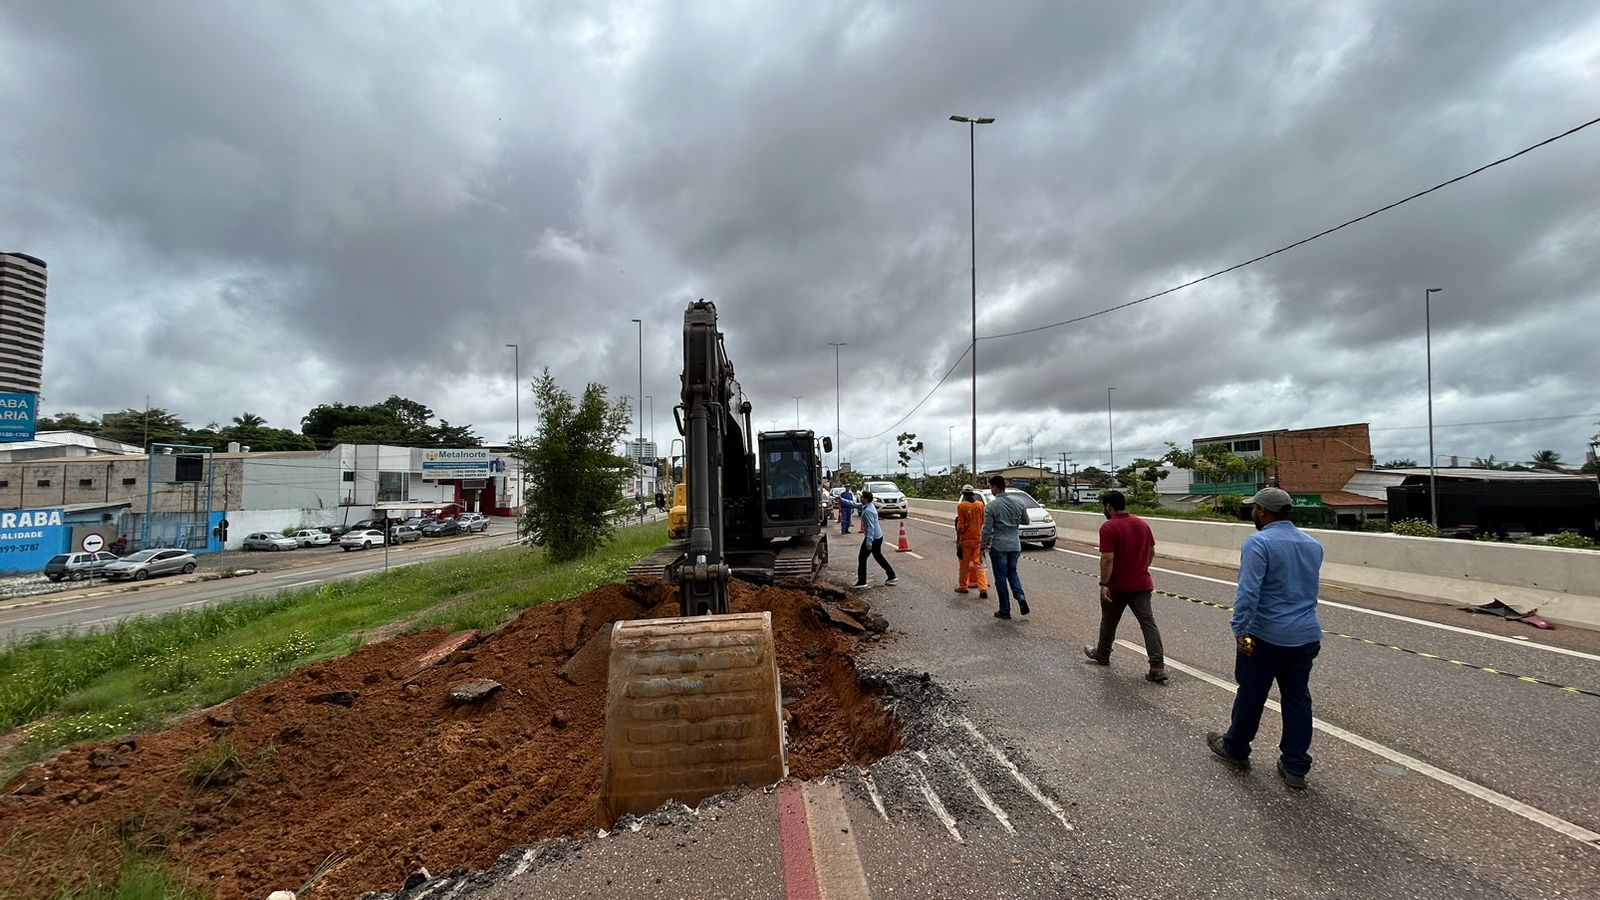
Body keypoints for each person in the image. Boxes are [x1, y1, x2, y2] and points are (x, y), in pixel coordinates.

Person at [1207, 487, 1324, 790]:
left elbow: (1248, 593)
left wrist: (1240, 630)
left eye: (1254, 509)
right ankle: (1295, 765)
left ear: (1262, 511)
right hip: (1306, 636)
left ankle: (1236, 747)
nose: (1253, 513)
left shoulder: (1258, 543)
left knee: (1252, 693)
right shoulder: (1313, 545)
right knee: (1297, 698)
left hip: (1266, 636)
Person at [1082, 490, 1167, 683]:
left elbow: (1107, 558)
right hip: (1142, 584)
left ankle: (1102, 654)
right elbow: (1151, 552)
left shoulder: (1109, 527)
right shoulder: (1142, 524)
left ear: (1109, 507)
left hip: (1117, 586)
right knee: (1148, 624)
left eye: (1104, 506)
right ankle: (1157, 666)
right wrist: (1141, 568)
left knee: (1109, 620)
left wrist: (1104, 583)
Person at [979, 475, 1029, 619]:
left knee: (1000, 577)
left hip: (999, 546)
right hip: (1015, 545)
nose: (991, 489)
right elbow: (1026, 521)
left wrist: (982, 547)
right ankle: (1020, 597)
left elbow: (986, 529)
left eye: (991, 487)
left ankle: (1005, 609)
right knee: (1012, 572)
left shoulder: (992, 506)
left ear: (995, 487)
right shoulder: (1018, 502)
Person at [837, 490, 896, 588]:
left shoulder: (868, 511)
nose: (860, 498)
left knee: (862, 558)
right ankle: (891, 575)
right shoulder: (867, 506)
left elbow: (870, 527)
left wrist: (868, 542)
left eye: (862, 497)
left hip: (873, 538)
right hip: (877, 537)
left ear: (866, 499)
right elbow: (854, 505)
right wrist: (841, 500)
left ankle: (862, 581)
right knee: (878, 556)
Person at [953, 484, 989, 598]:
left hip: (965, 540)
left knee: (964, 565)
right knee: (978, 564)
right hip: (977, 538)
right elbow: (982, 521)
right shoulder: (980, 505)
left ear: (963, 494)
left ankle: (963, 586)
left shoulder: (962, 506)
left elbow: (960, 526)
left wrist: (958, 542)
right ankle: (983, 587)